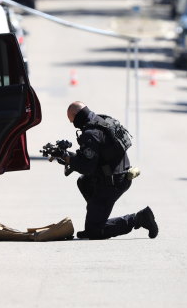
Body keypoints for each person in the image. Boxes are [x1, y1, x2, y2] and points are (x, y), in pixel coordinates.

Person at [59, 101, 158, 240]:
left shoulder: (91, 133)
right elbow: (94, 157)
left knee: (95, 231)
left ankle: (139, 218)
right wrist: (68, 156)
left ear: (76, 115)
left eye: (72, 120)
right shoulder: (102, 120)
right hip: (118, 174)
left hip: (112, 182)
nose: (73, 124)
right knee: (84, 182)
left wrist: (68, 158)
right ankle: (96, 217)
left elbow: (87, 167)